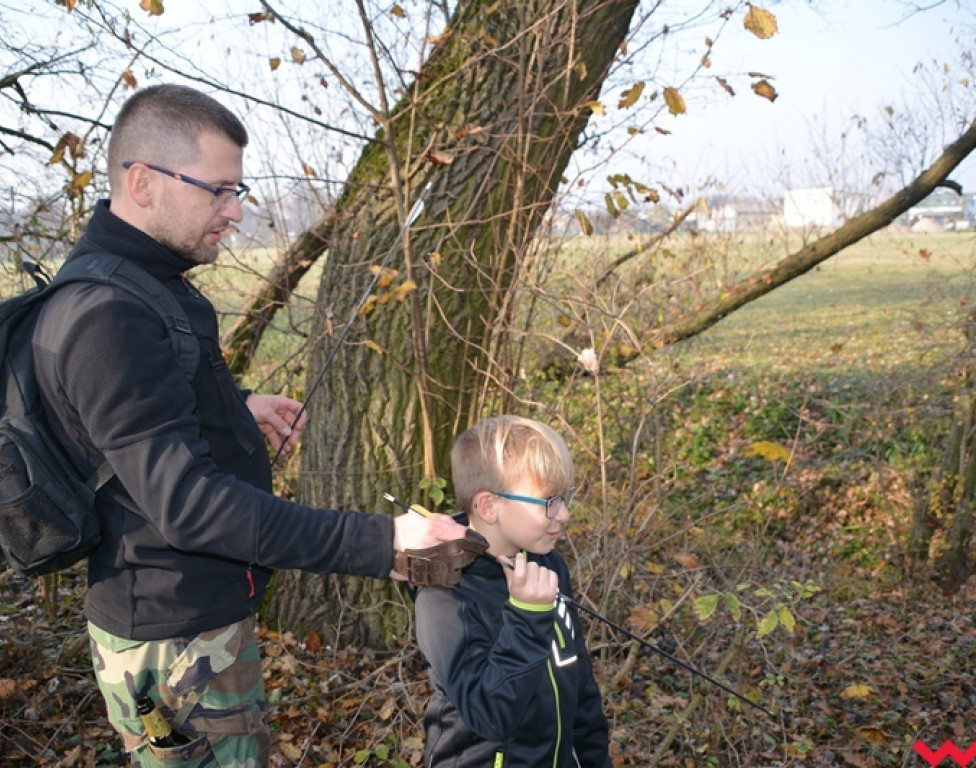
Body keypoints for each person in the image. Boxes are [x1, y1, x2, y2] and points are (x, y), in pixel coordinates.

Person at [31, 83, 465, 767]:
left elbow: (141, 423)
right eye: (218, 190)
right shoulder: (109, 314)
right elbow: (190, 507)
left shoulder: (148, 284)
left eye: (240, 190)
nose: (234, 212)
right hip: (176, 639)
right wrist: (385, 543)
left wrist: (237, 407)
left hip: (199, 614)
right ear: (143, 182)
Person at [413, 415, 611, 767]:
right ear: (489, 506)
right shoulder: (444, 597)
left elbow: (579, 687)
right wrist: (527, 616)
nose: (563, 514)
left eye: (566, 497)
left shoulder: (549, 567)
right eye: (549, 500)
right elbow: (490, 716)